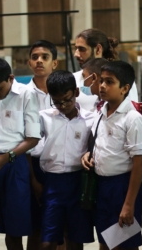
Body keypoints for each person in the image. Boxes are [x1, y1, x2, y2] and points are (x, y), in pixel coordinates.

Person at [81, 61, 142, 250]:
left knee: (124, 245)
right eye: (101, 81)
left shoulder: (132, 118)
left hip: (123, 187)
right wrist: (88, 154)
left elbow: (139, 163)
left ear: (124, 88)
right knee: (105, 243)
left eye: (109, 82)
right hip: (102, 188)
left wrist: (128, 204)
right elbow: (99, 144)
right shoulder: (101, 113)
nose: (102, 86)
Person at [0, 57, 41, 250]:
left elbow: (33, 138)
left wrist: (8, 157)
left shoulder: (26, 94)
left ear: (11, 78)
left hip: (15, 163)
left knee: (15, 232)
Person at [40, 70, 95, 250]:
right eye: (57, 101)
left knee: (76, 239)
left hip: (78, 181)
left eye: (67, 99)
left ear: (77, 93)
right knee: (48, 240)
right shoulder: (45, 118)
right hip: (52, 182)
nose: (62, 105)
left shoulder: (90, 119)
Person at [26, 39, 59, 250]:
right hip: (32, 165)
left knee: (60, 228)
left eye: (45, 57)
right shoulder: (20, 94)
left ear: (54, 63)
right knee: (35, 228)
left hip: (61, 166)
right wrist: (32, 178)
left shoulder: (65, 91)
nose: (39, 61)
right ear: (29, 62)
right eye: (35, 57)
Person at [73, 28, 139, 110]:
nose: (76, 54)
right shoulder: (73, 78)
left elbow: (131, 111)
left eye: (82, 49)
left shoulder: (122, 78)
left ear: (98, 49)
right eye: (75, 48)